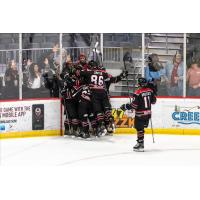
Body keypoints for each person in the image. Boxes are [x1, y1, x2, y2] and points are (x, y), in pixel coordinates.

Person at [120, 77, 157, 152]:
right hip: (148, 114)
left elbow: (134, 106)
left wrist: (125, 106)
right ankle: (140, 143)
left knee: (139, 129)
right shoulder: (150, 91)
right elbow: (153, 102)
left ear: (139, 84)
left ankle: (140, 144)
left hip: (140, 114)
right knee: (141, 129)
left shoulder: (137, 93)